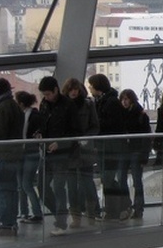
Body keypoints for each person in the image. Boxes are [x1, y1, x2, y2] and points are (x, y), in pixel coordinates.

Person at [38, 76, 79, 236]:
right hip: (47, 153)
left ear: (56, 90)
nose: (46, 97)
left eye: (48, 94)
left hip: (62, 155)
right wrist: (40, 134)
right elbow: (42, 124)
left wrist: (60, 143)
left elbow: (76, 131)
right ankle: (60, 214)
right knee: (42, 186)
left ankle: (61, 222)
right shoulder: (44, 105)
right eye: (44, 95)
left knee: (59, 188)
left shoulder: (68, 106)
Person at [88, 73, 129, 221]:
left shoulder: (109, 102)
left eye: (91, 86)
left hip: (111, 145)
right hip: (107, 145)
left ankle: (116, 209)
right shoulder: (103, 101)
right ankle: (120, 207)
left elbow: (113, 124)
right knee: (108, 178)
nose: (90, 88)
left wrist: (97, 124)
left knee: (108, 178)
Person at [64, 77, 101, 224]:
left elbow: (95, 125)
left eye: (76, 89)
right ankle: (76, 216)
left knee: (87, 182)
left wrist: (85, 138)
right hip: (69, 149)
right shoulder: (63, 106)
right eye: (71, 89)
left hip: (85, 149)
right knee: (71, 185)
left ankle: (92, 213)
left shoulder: (88, 104)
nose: (73, 92)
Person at [0, 78, 24, 235]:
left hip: (3, 154)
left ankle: (5, 224)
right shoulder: (14, 106)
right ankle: (9, 222)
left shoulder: (2, 108)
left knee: (2, 189)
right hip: (14, 154)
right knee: (10, 190)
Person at [118, 89, 151, 219]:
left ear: (132, 100)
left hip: (136, 150)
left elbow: (146, 137)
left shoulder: (141, 115)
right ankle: (128, 206)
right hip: (124, 150)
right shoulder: (121, 114)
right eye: (122, 99)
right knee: (121, 178)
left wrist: (144, 155)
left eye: (126, 99)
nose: (124, 102)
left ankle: (137, 208)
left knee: (136, 180)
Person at [15, 90, 45, 225]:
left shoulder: (33, 116)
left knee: (26, 184)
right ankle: (24, 213)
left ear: (21, 103)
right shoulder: (26, 115)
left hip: (31, 152)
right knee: (21, 185)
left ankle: (36, 213)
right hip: (23, 152)